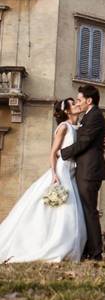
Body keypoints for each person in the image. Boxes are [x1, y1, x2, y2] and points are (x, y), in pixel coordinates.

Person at [0, 98, 87, 263]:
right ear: (67, 111)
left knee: (70, 209)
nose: (77, 104)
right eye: (73, 104)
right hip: (61, 170)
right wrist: (54, 173)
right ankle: (52, 244)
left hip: (72, 171)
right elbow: (53, 152)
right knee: (62, 208)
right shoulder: (63, 127)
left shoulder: (79, 127)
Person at [59, 84, 105, 261]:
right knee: (85, 210)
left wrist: (61, 154)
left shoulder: (95, 116)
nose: (78, 103)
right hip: (85, 169)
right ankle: (89, 249)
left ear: (89, 101)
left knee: (89, 210)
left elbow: (85, 142)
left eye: (79, 100)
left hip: (89, 171)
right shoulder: (89, 116)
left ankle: (95, 253)